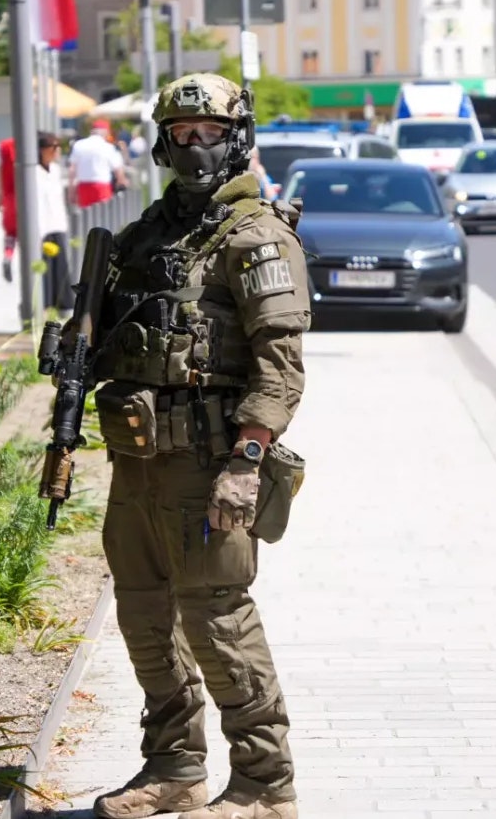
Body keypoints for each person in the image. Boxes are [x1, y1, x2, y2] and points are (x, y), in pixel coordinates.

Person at [85, 72, 308, 819]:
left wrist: (246, 463)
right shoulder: (148, 235)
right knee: (143, 614)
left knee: (216, 616)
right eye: (183, 134)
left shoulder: (256, 236)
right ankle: (174, 765)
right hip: (139, 463)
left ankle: (264, 783)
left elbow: (280, 366)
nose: (197, 146)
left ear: (237, 136)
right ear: (164, 141)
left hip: (212, 464)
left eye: (210, 132)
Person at [34, 131, 73, 312]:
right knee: (45, 268)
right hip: (42, 225)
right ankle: (45, 302)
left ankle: (62, 302)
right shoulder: (33, 172)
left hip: (57, 222)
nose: (57, 151)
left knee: (60, 265)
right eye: (53, 147)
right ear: (41, 150)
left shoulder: (56, 170)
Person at [67, 118, 126, 209]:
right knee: (103, 216)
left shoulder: (78, 145)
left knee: (85, 217)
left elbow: (72, 170)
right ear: (106, 133)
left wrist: (71, 191)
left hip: (83, 186)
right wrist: (121, 183)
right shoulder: (109, 148)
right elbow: (119, 170)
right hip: (102, 186)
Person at [0, 136, 18, 282]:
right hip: (29, 197)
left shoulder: (2, 146)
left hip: (9, 197)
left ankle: (8, 256)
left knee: (10, 233)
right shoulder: (33, 143)